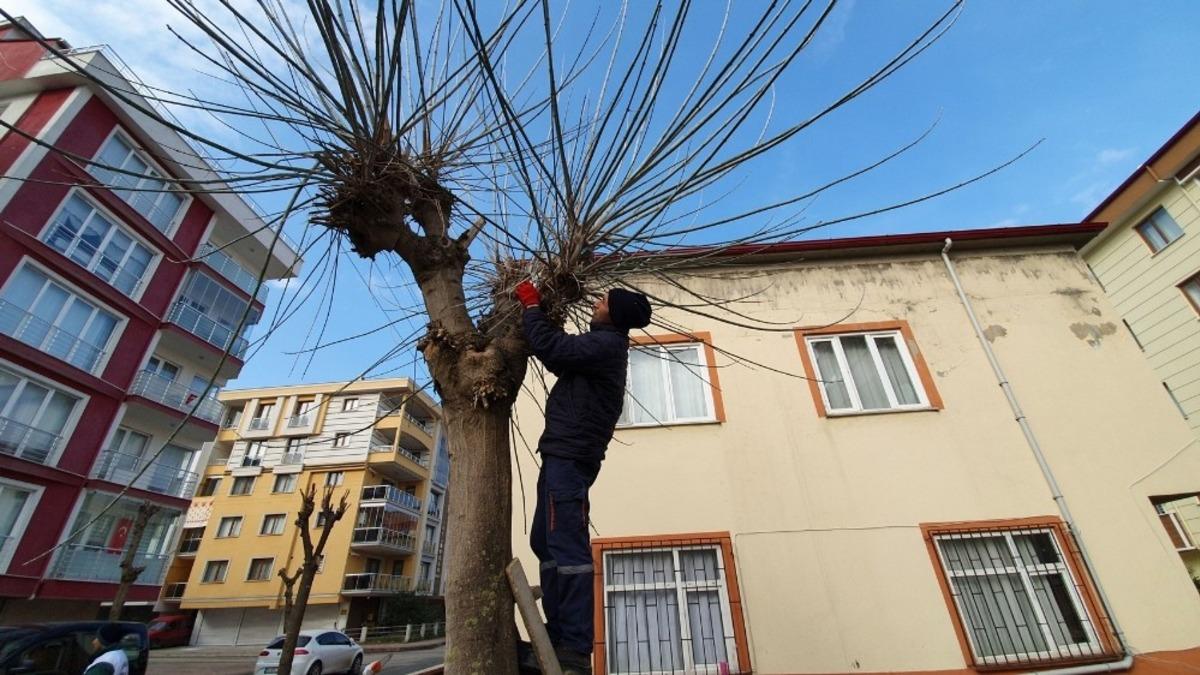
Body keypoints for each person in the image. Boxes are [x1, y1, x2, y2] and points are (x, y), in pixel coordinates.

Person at [515, 281, 652, 674]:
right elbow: (561, 358)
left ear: (615, 314)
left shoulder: (607, 346)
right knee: (545, 540)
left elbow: (553, 348)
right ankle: (558, 636)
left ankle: (573, 647)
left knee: (567, 548)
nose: (596, 302)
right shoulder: (599, 349)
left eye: (603, 300)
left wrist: (531, 306)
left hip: (570, 458)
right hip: (564, 454)